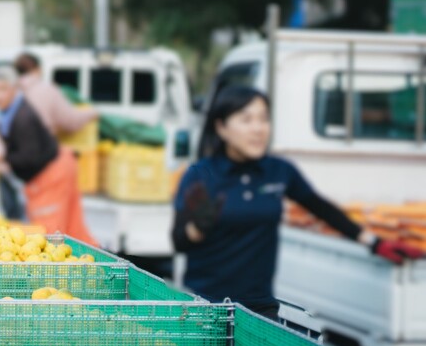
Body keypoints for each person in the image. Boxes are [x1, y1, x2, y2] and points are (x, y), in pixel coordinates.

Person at [173, 85, 421, 317]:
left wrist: (374, 243)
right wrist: (200, 226)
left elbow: (320, 208)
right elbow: (179, 241)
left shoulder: (278, 171)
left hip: (260, 310)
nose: (258, 128)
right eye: (246, 120)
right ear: (221, 127)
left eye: (263, 119)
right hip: (206, 308)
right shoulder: (202, 175)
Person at [0, 65, 92, 241]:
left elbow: (28, 158)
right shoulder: (7, 110)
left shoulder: (23, 118)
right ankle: (89, 264)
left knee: (49, 232)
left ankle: (83, 264)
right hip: (57, 165)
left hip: (52, 172)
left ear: (14, 89)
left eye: (2, 90)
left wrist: (2, 158)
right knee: (71, 228)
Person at [15, 52, 98, 140]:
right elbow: (70, 120)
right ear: (38, 69)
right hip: (38, 146)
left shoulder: (11, 90)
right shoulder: (47, 90)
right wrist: (92, 112)